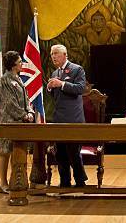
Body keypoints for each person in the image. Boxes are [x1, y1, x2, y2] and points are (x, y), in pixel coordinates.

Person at [46, 44, 88, 187]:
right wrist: (50, 88)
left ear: (65, 55)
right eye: (52, 54)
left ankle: (80, 180)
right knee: (60, 152)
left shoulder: (77, 69)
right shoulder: (54, 73)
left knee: (73, 152)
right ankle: (65, 182)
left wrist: (62, 84)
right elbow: (56, 96)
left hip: (73, 118)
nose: (53, 56)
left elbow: (81, 89)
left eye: (56, 53)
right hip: (58, 118)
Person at [0, 50, 35, 194]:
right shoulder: (5, 80)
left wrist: (30, 111)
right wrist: (24, 115)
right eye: (19, 62)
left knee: (16, 152)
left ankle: (15, 181)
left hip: (19, 122)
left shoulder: (18, 79)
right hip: (8, 122)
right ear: (13, 65)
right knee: (5, 153)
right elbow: (9, 103)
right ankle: (3, 183)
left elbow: (27, 99)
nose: (22, 64)